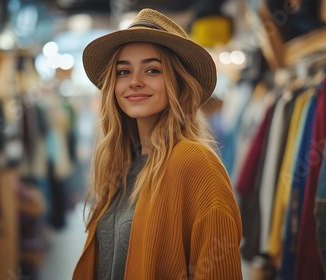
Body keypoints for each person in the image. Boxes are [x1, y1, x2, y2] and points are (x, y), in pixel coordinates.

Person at [73, 8, 242, 279]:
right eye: (123, 71)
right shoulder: (122, 163)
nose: (135, 82)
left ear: (178, 82)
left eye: (152, 70)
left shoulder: (196, 164)